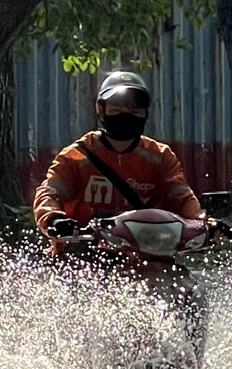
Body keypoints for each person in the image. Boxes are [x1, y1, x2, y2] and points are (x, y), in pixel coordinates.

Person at [34, 70, 204, 247]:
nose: (126, 114)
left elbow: (181, 197)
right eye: (117, 108)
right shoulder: (76, 156)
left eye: (134, 109)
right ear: (101, 110)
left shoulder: (160, 157)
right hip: (81, 253)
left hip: (146, 253)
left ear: (145, 113)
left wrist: (203, 222)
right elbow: (49, 193)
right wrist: (54, 219)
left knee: (175, 274)